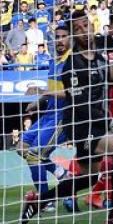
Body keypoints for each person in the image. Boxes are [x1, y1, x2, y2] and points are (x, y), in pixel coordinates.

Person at [21, 11, 113, 224]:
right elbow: (79, 98)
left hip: (93, 121)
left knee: (89, 178)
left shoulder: (99, 58)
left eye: (86, 26)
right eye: (78, 29)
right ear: (75, 37)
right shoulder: (72, 64)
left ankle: (39, 202)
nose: (84, 31)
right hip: (81, 123)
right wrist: (111, 123)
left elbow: (110, 73)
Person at [19, 23, 72, 213]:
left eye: (64, 36)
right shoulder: (53, 62)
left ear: (70, 39)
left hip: (63, 117)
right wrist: (38, 101)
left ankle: (45, 200)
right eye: (57, 36)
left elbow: (72, 93)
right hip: (48, 114)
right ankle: (60, 172)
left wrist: (42, 90)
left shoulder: (73, 62)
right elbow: (51, 90)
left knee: (34, 155)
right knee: (22, 148)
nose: (59, 40)